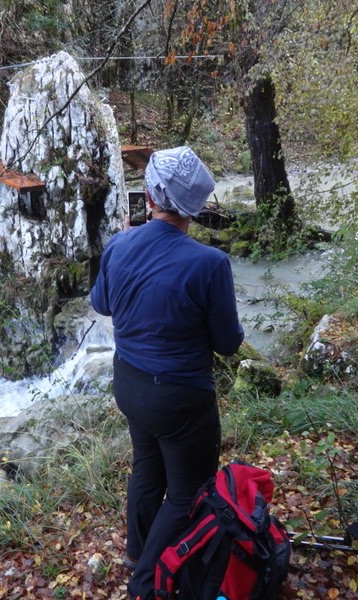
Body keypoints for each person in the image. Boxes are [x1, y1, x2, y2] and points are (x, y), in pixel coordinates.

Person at [90, 146, 244, 600]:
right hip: (181, 397)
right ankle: (144, 586)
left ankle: (137, 555)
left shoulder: (120, 244)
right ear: (195, 205)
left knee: (147, 468)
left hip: (130, 384)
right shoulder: (209, 263)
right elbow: (228, 344)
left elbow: (102, 305)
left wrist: (121, 249)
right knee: (187, 495)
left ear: (152, 195)